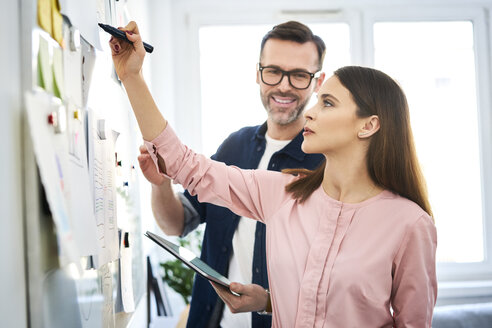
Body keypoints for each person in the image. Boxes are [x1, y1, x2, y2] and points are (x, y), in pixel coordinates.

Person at [110, 21, 438, 327]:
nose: (309, 111)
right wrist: (132, 77)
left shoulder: (410, 224)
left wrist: (269, 302)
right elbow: (184, 165)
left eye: (327, 103)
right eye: (274, 71)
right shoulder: (282, 192)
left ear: (368, 125)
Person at [137, 21, 326, 327]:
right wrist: (160, 185)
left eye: (300, 75)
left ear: (318, 82)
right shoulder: (234, 146)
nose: (284, 85)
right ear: (258, 74)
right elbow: (178, 222)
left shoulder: (327, 164)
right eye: (274, 71)